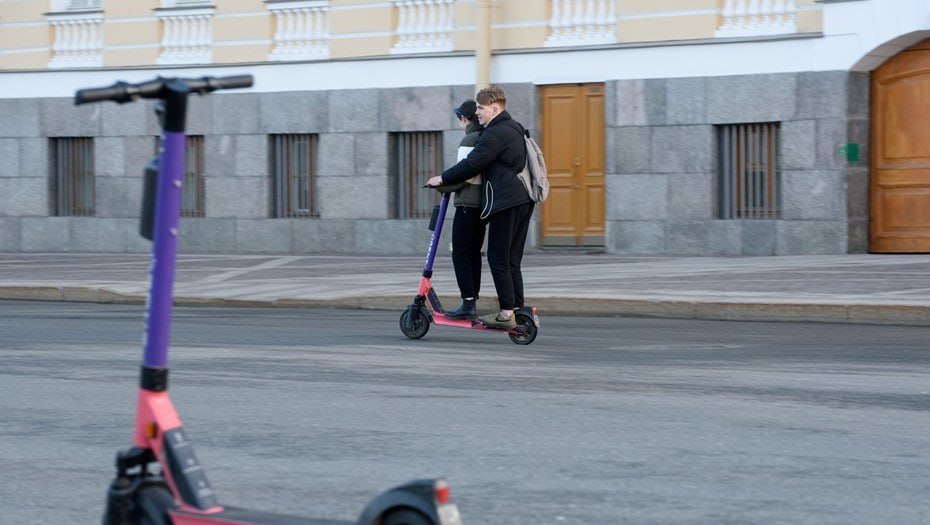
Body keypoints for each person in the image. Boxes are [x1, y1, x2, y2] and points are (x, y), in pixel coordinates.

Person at [427, 86, 533, 330]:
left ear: (494, 108)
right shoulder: (514, 127)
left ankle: (507, 313)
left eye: (481, 108)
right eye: (477, 108)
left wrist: (442, 179)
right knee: (511, 259)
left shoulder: (495, 132)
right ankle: (517, 307)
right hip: (522, 198)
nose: (477, 113)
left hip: (506, 201)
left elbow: (473, 164)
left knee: (498, 258)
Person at [434, 100, 486, 320]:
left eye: (459, 117)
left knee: (460, 252)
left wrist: (438, 184)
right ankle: (472, 298)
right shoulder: (485, 137)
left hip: (467, 204)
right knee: (474, 252)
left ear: (464, 118)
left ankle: (467, 303)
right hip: (482, 205)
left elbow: (462, 174)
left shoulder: (469, 139)